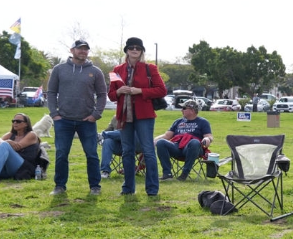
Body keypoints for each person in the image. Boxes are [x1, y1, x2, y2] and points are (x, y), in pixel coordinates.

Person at [46, 39, 107, 196]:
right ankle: (59, 186)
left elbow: (102, 95)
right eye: (80, 49)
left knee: (92, 154)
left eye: (86, 49)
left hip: (87, 121)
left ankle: (95, 187)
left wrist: (96, 114)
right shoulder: (59, 69)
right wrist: (54, 113)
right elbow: (51, 92)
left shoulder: (96, 71)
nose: (83, 52)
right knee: (61, 154)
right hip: (63, 120)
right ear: (72, 50)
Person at [107, 38, 167, 197]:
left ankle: (152, 189)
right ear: (126, 50)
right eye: (131, 47)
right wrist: (120, 92)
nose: (134, 50)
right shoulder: (117, 69)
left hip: (144, 115)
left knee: (148, 151)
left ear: (141, 51)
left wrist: (139, 91)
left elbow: (162, 90)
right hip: (124, 115)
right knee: (127, 151)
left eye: (138, 48)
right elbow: (111, 95)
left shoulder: (150, 68)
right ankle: (128, 188)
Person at [156, 100, 213, 180]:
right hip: (177, 147)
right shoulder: (178, 121)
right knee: (161, 142)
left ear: (192, 110)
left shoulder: (203, 122)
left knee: (194, 142)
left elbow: (209, 136)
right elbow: (166, 136)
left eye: (184, 108)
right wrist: (154, 140)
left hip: (193, 148)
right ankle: (167, 173)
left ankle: (184, 174)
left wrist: (207, 139)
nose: (181, 110)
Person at [0, 113, 42, 182]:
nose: (15, 123)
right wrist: (7, 141)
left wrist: (5, 142)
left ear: (26, 124)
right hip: (6, 168)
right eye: (13, 121)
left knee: (4, 145)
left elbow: (18, 147)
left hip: (22, 168)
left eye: (18, 121)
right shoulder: (11, 134)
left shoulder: (31, 134)